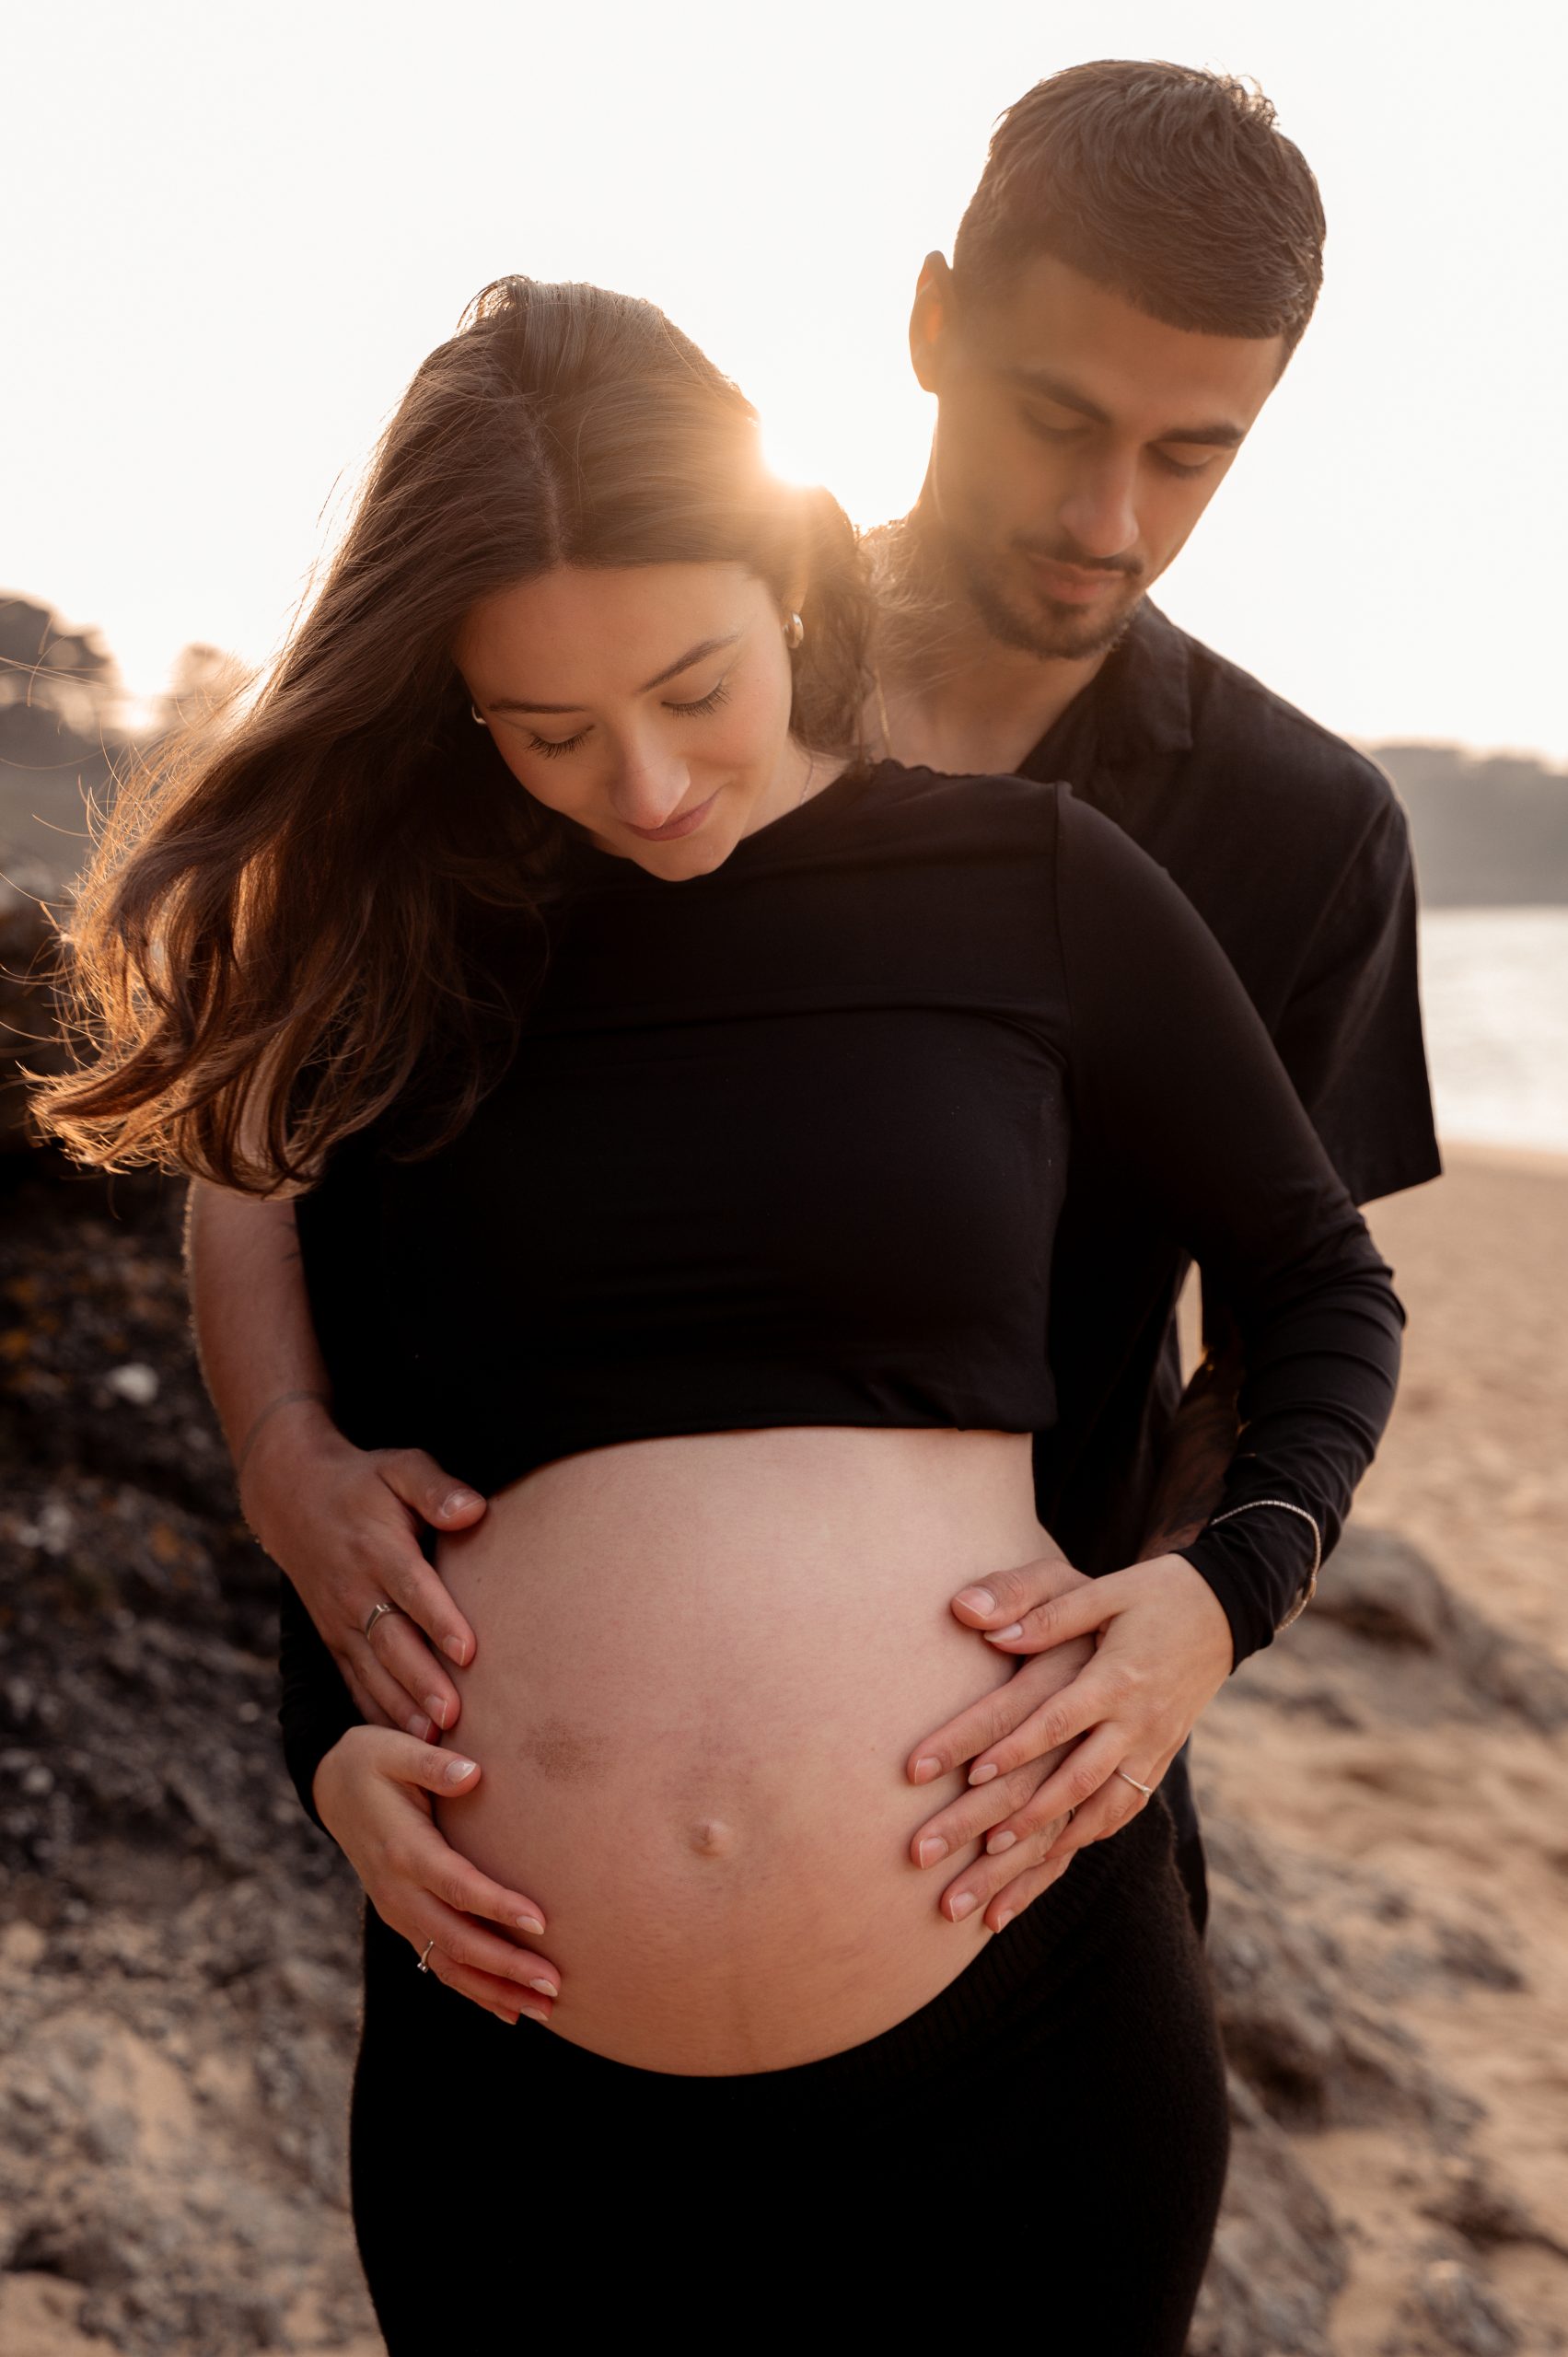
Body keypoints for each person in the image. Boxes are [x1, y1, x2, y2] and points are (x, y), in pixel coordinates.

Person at [41, 264, 1402, 2346]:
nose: (653, 784)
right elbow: (316, 1373)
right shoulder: (415, 954)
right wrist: (322, 1690)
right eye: (553, 730)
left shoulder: (1027, 884)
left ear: (787, 576)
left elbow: (1320, 1282)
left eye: (697, 683)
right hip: (519, 2080)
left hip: (1024, 2043)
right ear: (457, 704)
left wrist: (1219, 1596)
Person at [183, 62, 1439, 1952]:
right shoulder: (640, 666)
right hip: (509, 1884)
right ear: (932, 323)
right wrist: (284, 1455)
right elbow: (271, 1090)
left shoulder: (1303, 831)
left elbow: (1285, 1318)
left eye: (1193, 453)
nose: (1110, 517)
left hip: (1022, 1828)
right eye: (1056, 416)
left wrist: (1184, 1621)